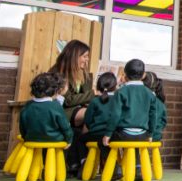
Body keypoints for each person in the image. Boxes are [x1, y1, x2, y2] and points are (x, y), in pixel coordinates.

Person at [49, 39, 94, 173]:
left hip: (78, 109)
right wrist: (93, 94)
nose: (87, 60)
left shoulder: (85, 74)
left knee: (93, 112)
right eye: (84, 56)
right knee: (89, 114)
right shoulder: (58, 72)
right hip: (61, 111)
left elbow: (85, 96)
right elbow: (67, 100)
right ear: (75, 56)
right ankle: (85, 159)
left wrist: (90, 95)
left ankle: (82, 160)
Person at [103, 59, 155, 146]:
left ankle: (115, 160)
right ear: (143, 75)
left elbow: (115, 114)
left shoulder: (120, 92)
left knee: (103, 143)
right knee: (135, 150)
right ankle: (136, 160)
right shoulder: (150, 94)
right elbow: (153, 115)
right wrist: (151, 134)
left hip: (123, 135)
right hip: (143, 135)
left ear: (125, 74)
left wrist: (108, 133)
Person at [19, 72, 72, 144]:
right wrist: (69, 140)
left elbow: (22, 127)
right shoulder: (55, 105)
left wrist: (25, 137)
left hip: (31, 139)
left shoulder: (27, 106)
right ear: (55, 90)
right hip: (54, 139)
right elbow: (65, 127)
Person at [82, 72, 117, 167]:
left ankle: (84, 164)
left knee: (80, 139)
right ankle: (113, 166)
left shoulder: (95, 101)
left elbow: (88, 120)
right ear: (115, 86)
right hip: (114, 134)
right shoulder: (118, 99)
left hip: (96, 134)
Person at [143, 71, 167, 143]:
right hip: (157, 135)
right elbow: (164, 122)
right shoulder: (160, 102)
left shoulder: (143, 100)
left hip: (145, 136)